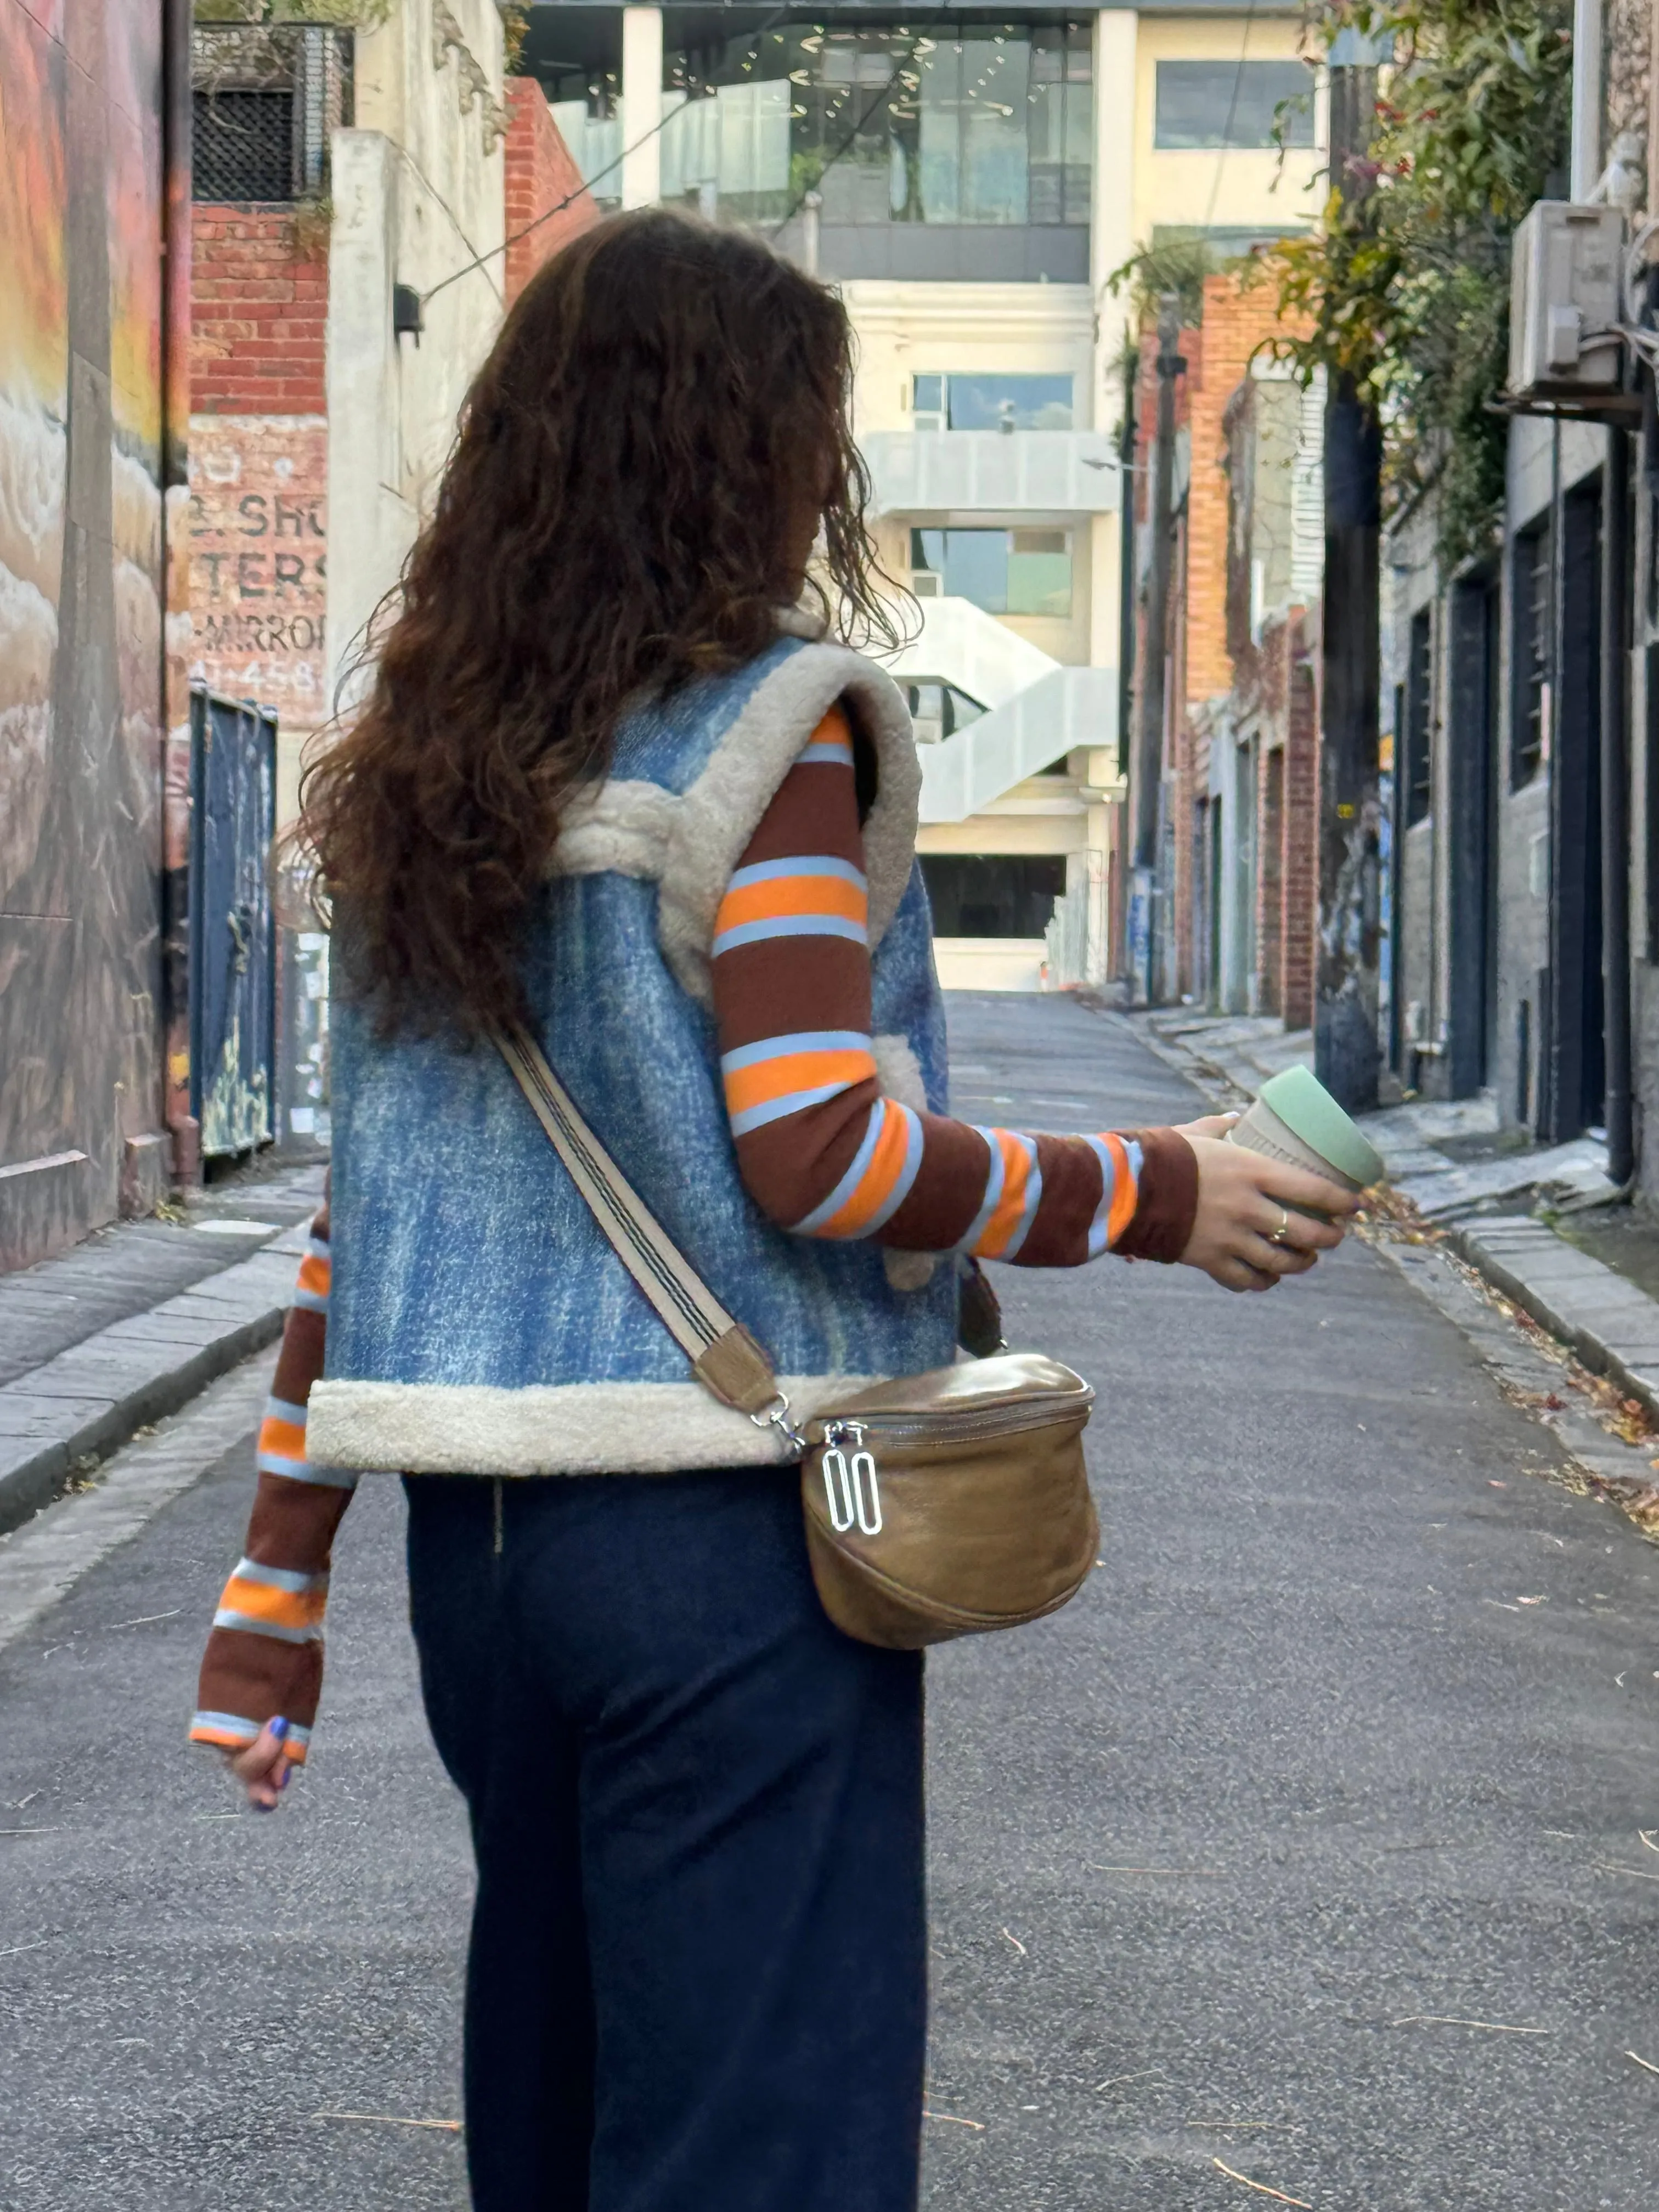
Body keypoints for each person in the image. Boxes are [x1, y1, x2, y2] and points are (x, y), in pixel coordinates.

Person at [191, 209, 1356, 2212]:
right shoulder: (774, 732)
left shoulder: (425, 767)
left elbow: (359, 1235)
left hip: (473, 1567)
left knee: (556, 2121)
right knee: (758, 2142)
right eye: (816, 422)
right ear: (737, 449)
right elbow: (821, 1145)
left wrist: (272, 1585)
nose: (833, 466)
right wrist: (1158, 1190)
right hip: (717, 1546)